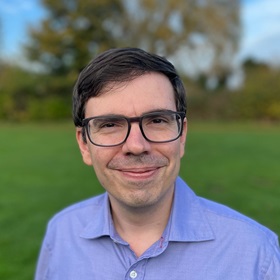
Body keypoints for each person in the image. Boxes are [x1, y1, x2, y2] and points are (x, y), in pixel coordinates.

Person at [35, 47, 280, 280]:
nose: (136, 146)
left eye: (157, 120)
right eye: (109, 124)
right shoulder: (60, 235)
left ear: (182, 135)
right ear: (84, 144)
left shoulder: (257, 255)